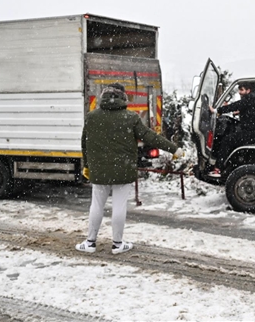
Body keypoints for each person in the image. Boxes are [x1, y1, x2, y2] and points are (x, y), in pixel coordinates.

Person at [76, 83, 183, 255]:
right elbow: (150, 137)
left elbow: (84, 144)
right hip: (123, 169)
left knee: (96, 205)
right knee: (119, 206)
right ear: (123, 98)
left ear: (103, 97)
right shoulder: (130, 117)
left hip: (99, 170)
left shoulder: (91, 117)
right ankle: (117, 244)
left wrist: (87, 165)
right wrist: (173, 148)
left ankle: (90, 242)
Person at [209, 83, 255, 164]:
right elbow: (252, 112)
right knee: (234, 135)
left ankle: (218, 167)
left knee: (227, 141)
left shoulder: (249, 98)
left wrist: (217, 110)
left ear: (248, 90)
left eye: (242, 90)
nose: (239, 92)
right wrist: (239, 112)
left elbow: (235, 105)